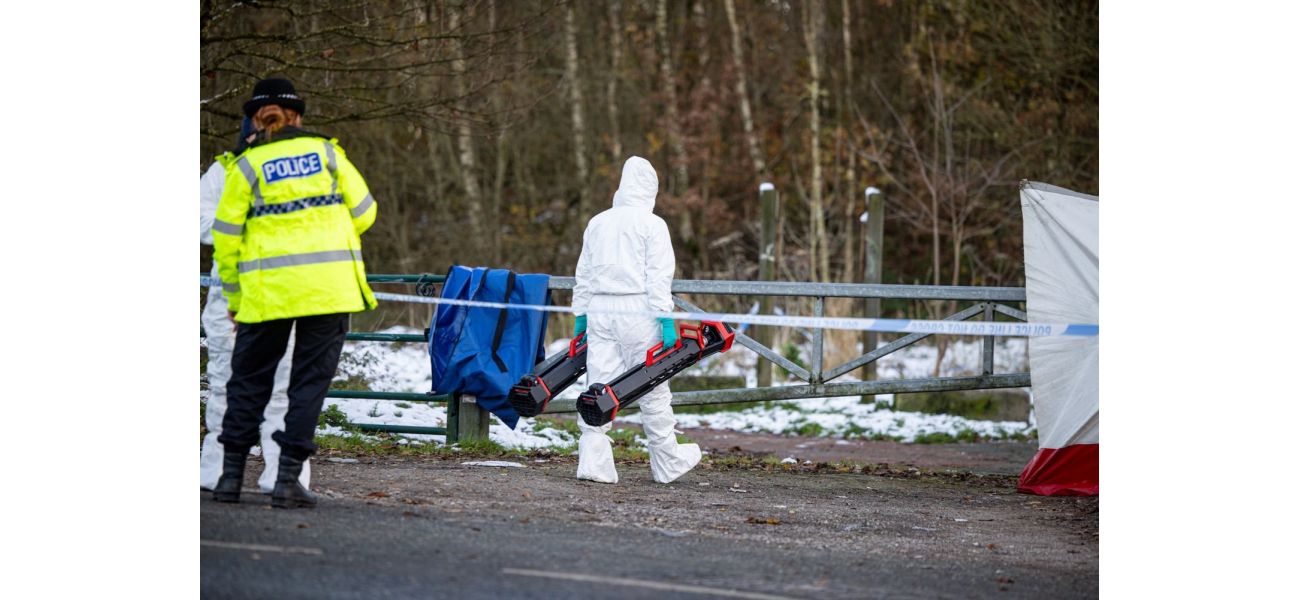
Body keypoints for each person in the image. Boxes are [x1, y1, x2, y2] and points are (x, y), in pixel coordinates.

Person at [211, 77, 378, 509]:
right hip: (329, 290)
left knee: (249, 381)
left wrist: (234, 297)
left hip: (267, 293)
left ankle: (230, 478)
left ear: (254, 119)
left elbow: (225, 237)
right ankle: (286, 480)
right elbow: (365, 212)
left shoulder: (244, 166)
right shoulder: (327, 153)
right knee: (307, 386)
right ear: (298, 116)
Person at [571, 156, 701, 484]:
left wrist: (580, 316)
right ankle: (666, 460)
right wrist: (665, 319)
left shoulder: (598, 222)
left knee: (598, 383)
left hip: (601, 311)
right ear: (651, 190)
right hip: (638, 312)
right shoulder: (652, 225)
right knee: (652, 383)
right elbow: (658, 278)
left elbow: (583, 274)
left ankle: (594, 461)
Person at [200, 118, 309, 494]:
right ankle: (216, 471)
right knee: (225, 384)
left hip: (283, 290)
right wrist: (246, 227)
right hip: (231, 290)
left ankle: (281, 474)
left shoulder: (296, 168)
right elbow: (199, 219)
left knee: (283, 387)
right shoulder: (224, 169)